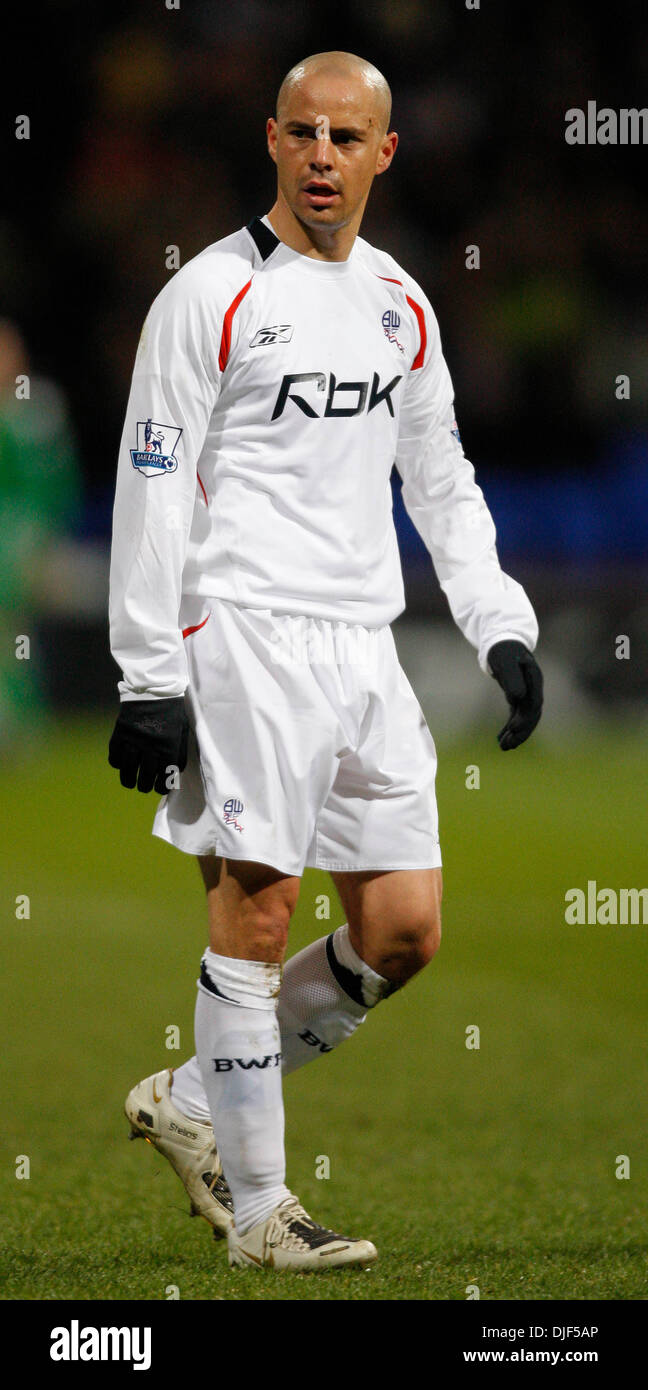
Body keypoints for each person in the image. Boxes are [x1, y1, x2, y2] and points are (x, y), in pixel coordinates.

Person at [108, 50, 543, 1273]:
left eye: (345, 138)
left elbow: (440, 478)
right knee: (254, 911)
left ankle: (195, 1094)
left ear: (383, 154)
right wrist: (149, 672)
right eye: (301, 133)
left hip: (364, 644)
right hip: (241, 629)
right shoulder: (212, 294)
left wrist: (498, 621)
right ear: (270, 140)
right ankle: (259, 1212)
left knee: (403, 931)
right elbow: (153, 482)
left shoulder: (403, 302)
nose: (320, 157)